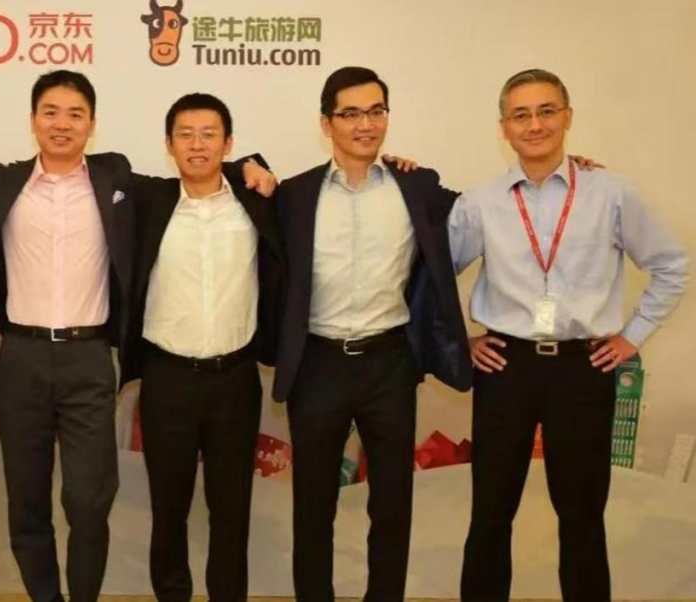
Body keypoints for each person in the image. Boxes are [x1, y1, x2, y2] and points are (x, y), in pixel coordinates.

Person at [0, 70, 274, 602]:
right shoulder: (1, 183)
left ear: (92, 124)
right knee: (27, 504)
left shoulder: (117, 181)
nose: (62, 124)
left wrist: (247, 164)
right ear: (33, 121)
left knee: (89, 501)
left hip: (88, 358)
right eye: (50, 112)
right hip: (21, 358)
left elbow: (198, 168)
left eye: (75, 114)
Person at [450, 68, 689, 602]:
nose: (534, 125)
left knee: (582, 516)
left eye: (546, 111)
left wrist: (632, 336)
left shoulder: (611, 193)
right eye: (521, 115)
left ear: (567, 117)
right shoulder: (481, 203)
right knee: (490, 513)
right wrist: (461, 341)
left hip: (583, 369)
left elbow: (672, 266)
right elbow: (432, 281)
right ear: (503, 127)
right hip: (506, 369)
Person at [272, 66, 472, 602]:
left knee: (392, 507)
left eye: (376, 111)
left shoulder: (417, 186)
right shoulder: (294, 194)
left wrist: (562, 170)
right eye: (351, 113)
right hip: (318, 364)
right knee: (313, 508)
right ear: (327, 123)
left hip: (390, 363)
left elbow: (489, 212)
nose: (366, 124)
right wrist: (244, 166)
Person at [119, 93, 284, 602]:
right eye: (185, 135)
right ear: (168, 144)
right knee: (167, 510)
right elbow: (97, 167)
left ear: (228, 144)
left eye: (209, 134)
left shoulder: (255, 200)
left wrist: (250, 166)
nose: (197, 145)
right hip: (167, 379)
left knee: (231, 511)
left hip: (234, 379)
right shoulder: (149, 201)